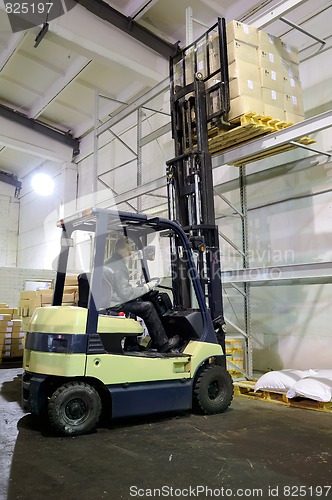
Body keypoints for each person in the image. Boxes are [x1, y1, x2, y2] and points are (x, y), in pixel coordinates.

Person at [103, 237, 180, 353]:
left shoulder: (110, 262)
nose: (130, 254)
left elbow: (121, 289)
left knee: (137, 303)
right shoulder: (118, 266)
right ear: (122, 250)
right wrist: (147, 287)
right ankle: (163, 343)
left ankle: (132, 345)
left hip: (110, 301)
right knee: (148, 307)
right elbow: (126, 293)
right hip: (114, 304)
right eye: (129, 251)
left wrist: (140, 289)